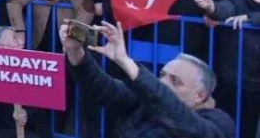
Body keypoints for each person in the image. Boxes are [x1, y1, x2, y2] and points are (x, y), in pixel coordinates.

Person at [59, 20, 235, 138]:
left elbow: (184, 123)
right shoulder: (144, 101)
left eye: (175, 81)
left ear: (200, 95)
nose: (163, 82)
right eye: (161, 75)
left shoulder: (218, 123)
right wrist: (75, 51)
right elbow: (102, 86)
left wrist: (125, 61)